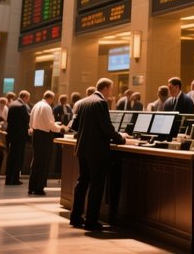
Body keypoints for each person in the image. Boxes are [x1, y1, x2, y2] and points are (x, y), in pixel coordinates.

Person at [69, 77, 126, 231]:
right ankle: (91, 220)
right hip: (97, 152)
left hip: (82, 149)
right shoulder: (101, 103)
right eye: (111, 90)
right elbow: (106, 128)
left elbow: (75, 126)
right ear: (106, 88)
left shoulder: (84, 101)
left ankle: (75, 217)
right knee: (96, 185)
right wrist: (122, 138)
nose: (111, 93)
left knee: (82, 182)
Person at [28, 90, 63, 196]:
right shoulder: (47, 107)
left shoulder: (37, 105)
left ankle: (31, 187)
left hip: (36, 134)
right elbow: (49, 125)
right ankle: (39, 188)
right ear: (51, 98)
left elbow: (31, 121)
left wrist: (54, 124)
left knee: (36, 161)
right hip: (44, 136)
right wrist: (60, 128)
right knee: (43, 162)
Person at [5, 90, 31, 186]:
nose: (28, 100)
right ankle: (14, 179)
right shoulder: (22, 106)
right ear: (25, 97)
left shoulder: (12, 104)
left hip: (11, 135)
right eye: (28, 98)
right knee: (18, 158)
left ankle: (8, 179)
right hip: (19, 137)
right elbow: (26, 122)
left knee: (11, 158)